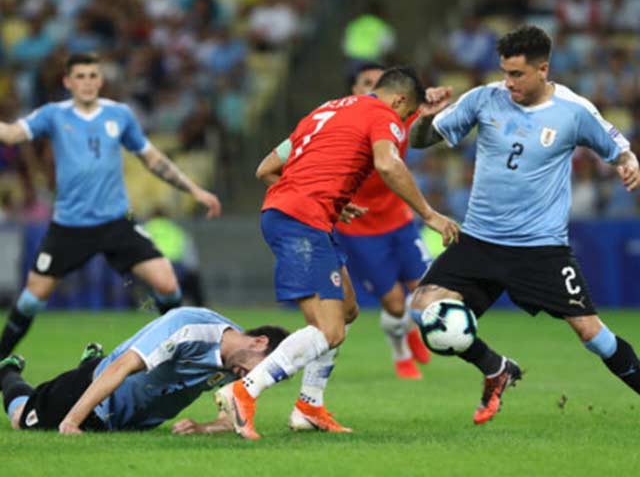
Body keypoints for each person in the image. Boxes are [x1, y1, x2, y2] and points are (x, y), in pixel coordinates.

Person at [408, 25, 640, 425]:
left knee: (591, 333)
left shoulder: (573, 110)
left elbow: (617, 147)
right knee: (424, 310)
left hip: (541, 249)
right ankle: (496, 368)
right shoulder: (484, 98)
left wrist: (628, 162)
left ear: (543, 69)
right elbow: (419, 140)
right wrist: (425, 119)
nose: (508, 82)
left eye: (517, 74)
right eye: (504, 72)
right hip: (479, 239)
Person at [216, 67, 460, 439]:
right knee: (328, 330)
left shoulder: (324, 110)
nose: (403, 123)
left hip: (298, 216)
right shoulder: (383, 115)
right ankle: (243, 392)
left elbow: (265, 168)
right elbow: (387, 163)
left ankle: (309, 407)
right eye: (406, 114)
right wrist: (428, 213)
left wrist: (327, 196)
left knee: (346, 310)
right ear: (398, 100)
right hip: (302, 222)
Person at [0, 52, 222, 359]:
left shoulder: (119, 115)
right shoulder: (54, 114)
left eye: (93, 76)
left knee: (168, 284)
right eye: (80, 76)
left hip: (116, 224)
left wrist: (194, 190)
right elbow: (11, 134)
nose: (87, 82)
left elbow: (153, 159)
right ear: (68, 81)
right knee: (32, 299)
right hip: (69, 227)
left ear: (101, 80)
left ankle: (176, 353)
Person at [0, 306, 289, 433]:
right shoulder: (188, 327)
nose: (251, 380)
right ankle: (8, 371)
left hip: (131, 419)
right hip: (94, 390)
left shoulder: (239, 365)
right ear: (259, 342)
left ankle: (91, 358)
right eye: (259, 370)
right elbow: (123, 365)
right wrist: (73, 420)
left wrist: (204, 428)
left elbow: (231, 417)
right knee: (20, 418)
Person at [335, 62, 432, 380]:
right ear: (354, 91)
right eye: (367, 83)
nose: (375, 89)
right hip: (360, 228)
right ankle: (401, 351)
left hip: (398, 217)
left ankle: (413, 330)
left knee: (426, 292)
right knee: (393, 303)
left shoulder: (397, 118)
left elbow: (427, 119)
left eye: (380, 83)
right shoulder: (343, 124)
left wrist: (437, 104)